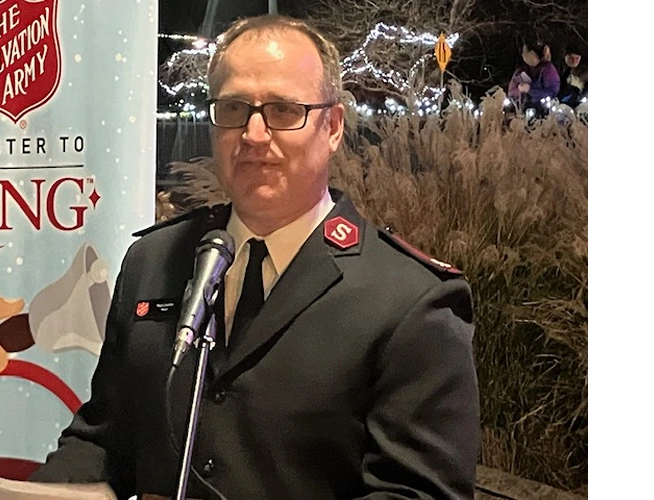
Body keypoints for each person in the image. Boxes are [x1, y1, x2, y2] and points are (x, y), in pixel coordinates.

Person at [30, 14, 481, 500]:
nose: (254, 134)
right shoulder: (152, 262)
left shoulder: (409, 301)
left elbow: (416, 494)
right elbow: (104, 438)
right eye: (234, 108)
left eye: (284, 110)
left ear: (331, 126)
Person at [508, 40, 560, 115]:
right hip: (521, 110)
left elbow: (552, 92)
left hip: (543, 111)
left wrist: (530, 90)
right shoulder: (521, 70)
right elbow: (511, 92)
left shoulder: (548, 70)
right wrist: (519, 89)